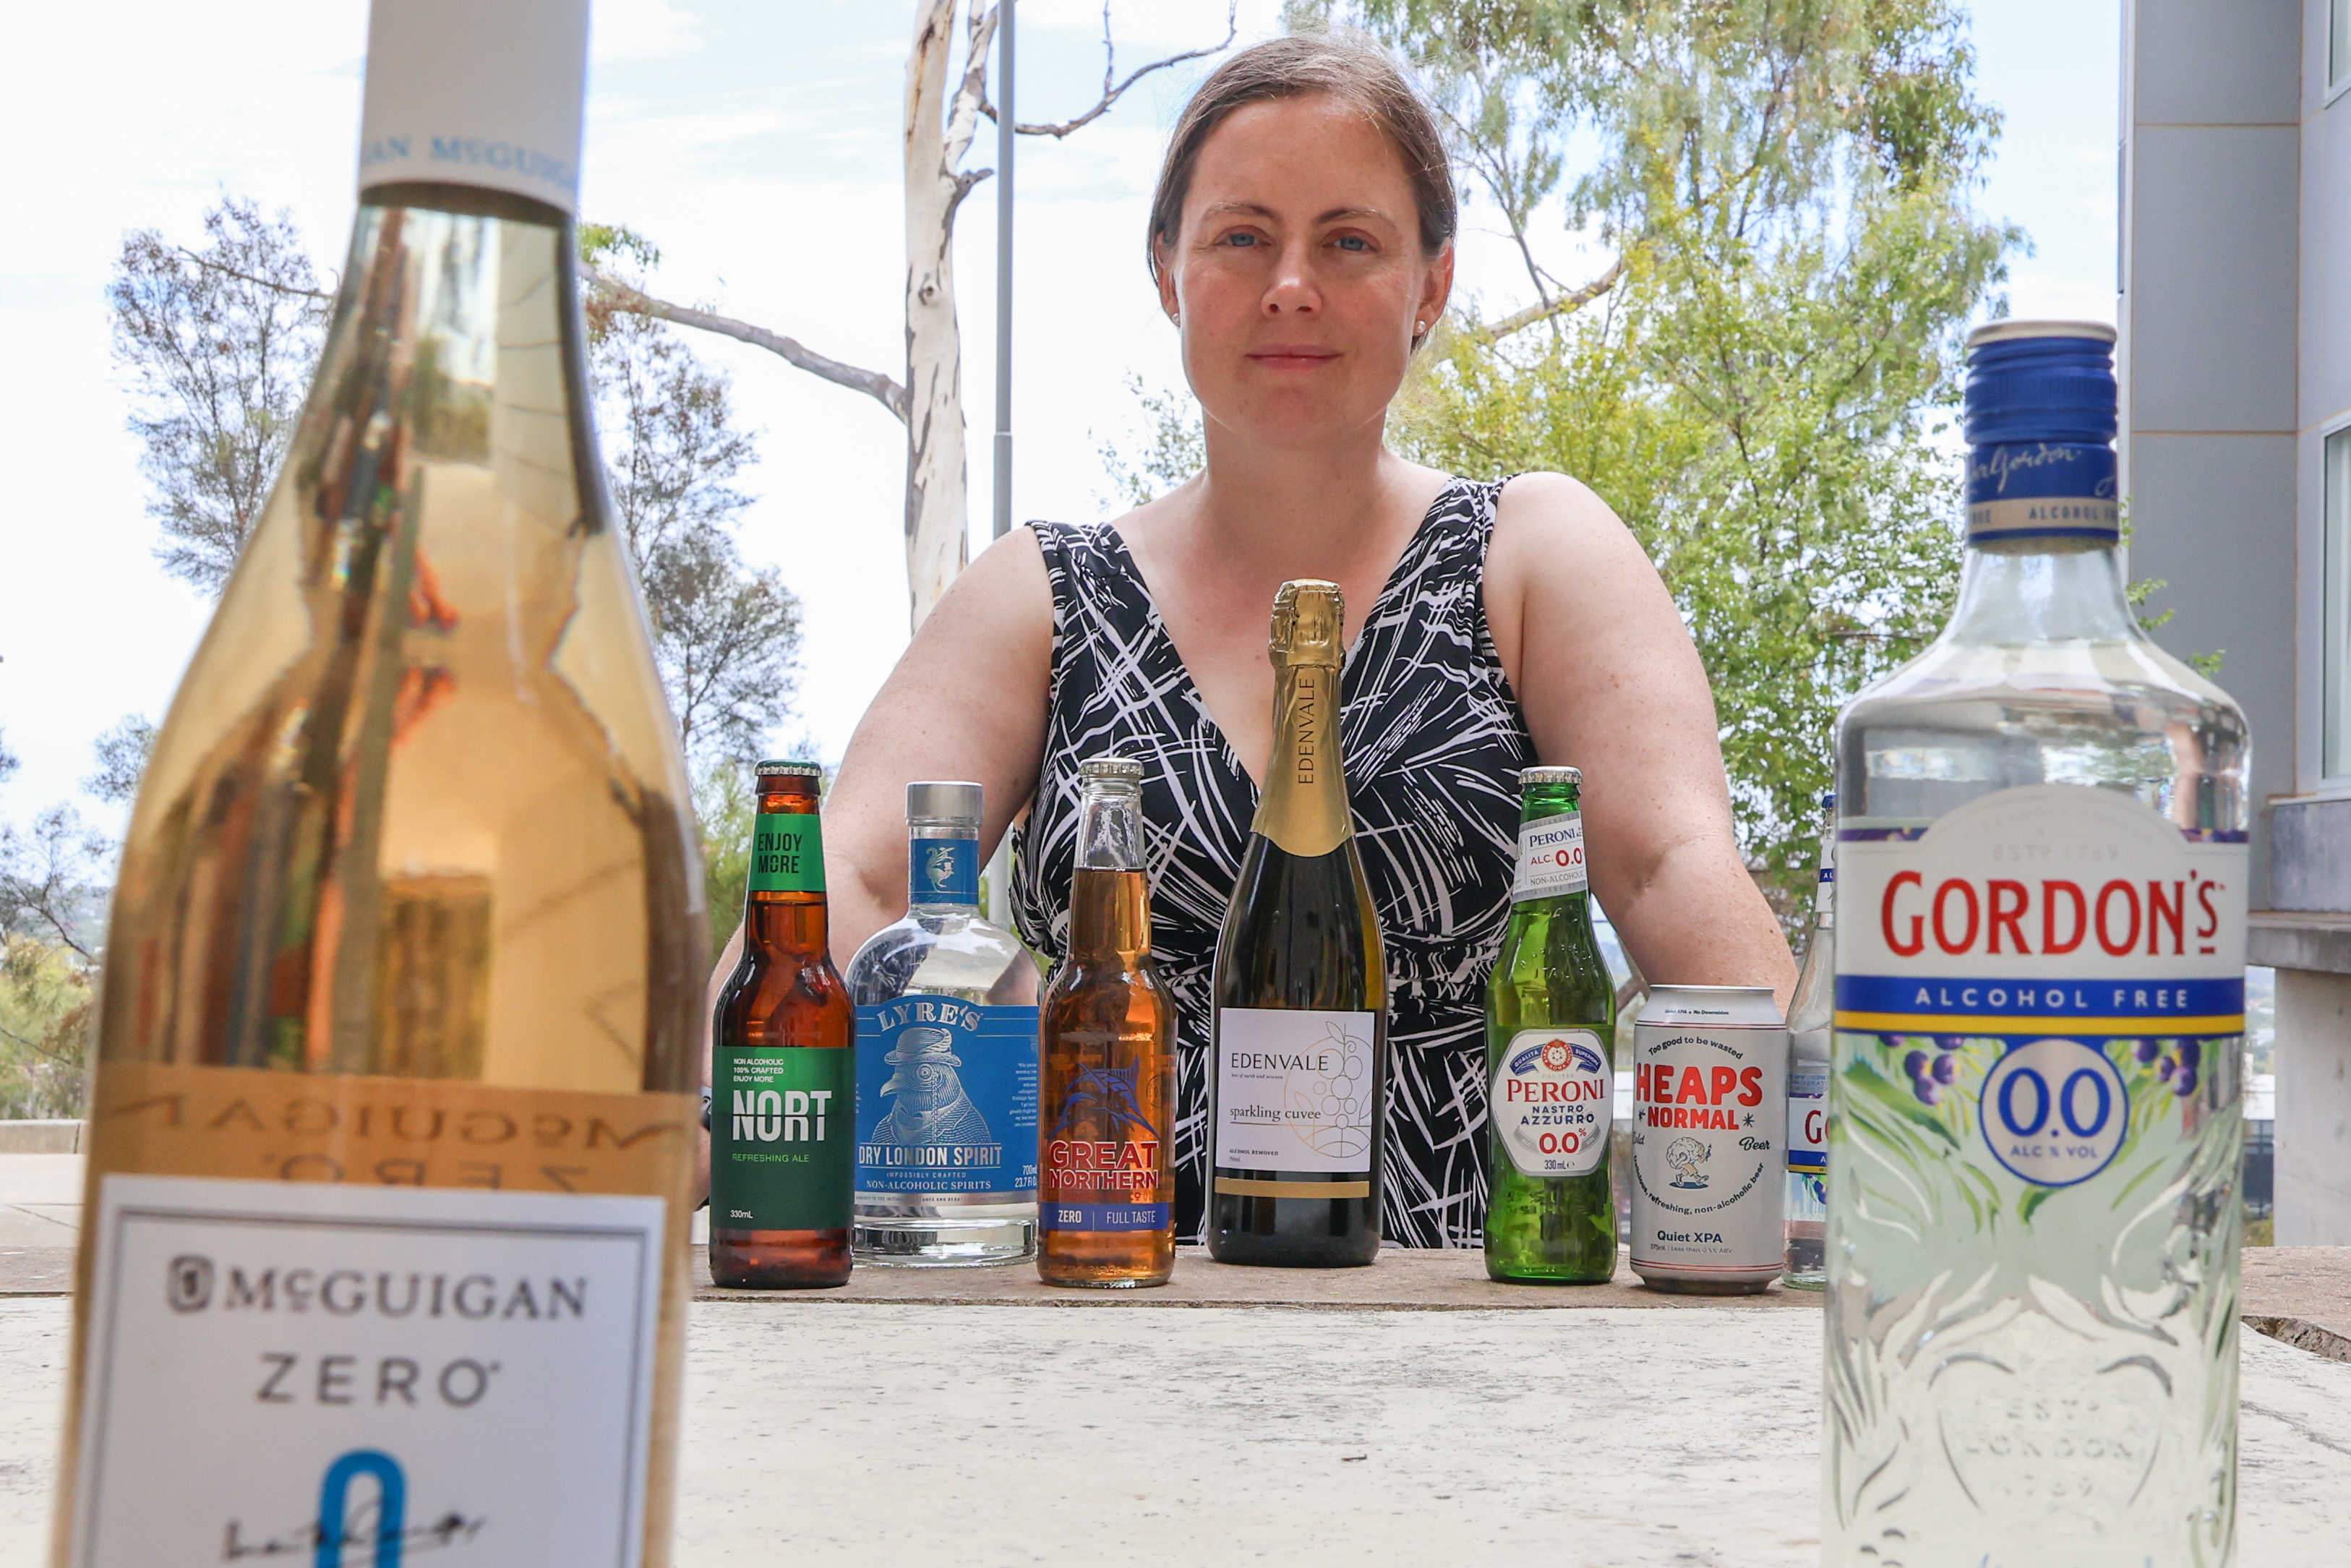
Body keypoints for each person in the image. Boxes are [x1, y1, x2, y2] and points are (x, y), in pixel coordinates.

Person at [746, 32, 1794, 1247]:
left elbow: (1673, 871)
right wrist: (698, 1139)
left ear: (1432, 284)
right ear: (1167, 273)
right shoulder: (1042, 591)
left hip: (1474, 1346)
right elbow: (851, 886)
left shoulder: (1533, 553)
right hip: (1095, 1319)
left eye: (1350, 241)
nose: (1292, 284)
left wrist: (1848, 1183)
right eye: (1243, 236)